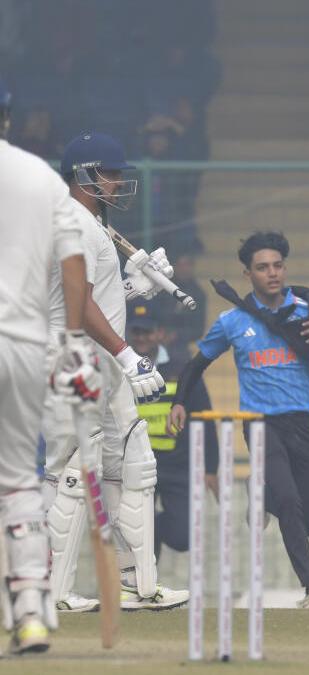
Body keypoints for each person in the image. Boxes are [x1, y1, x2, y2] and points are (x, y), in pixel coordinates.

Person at [167, 231, 309, 609]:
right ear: (248, 274)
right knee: (290, 503)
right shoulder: (232, 321)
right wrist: (179, 403)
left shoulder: (308, 308)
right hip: (261, 424)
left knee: (304, 518)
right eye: (263, 267)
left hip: (304, 423)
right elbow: (196, 364)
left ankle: (259, 493)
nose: (273, 273)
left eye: (278, 265)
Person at [42, 131, 188, 613]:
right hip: (80, 362)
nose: (119, 181)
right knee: (69, 470)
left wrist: (134, 287)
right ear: (84, 174)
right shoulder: (75, 225)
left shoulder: (91, 222)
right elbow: (77, 305)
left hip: (99, 362)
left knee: (130, 466)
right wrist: (127, 353)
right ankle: (52, 592)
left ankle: (138, 585)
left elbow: (94, 297)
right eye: (111, 172)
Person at [0, 77, 96, 654]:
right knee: (18, 481)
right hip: (25, 346)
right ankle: (32, 609)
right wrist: (73, 341)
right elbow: (74, 265)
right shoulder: (40, 178)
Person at [124, 300, 217, 560]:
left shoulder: (183, 367)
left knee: (183, 537)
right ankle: (147, 591)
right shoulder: (120, 369)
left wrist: (211, 468)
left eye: (148, 331)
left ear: (161, 334)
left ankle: (148, 526)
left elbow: (204, 417)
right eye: (137, 332)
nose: (142, 338)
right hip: (134, 464)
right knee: (140, 543)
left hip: (178, 465)